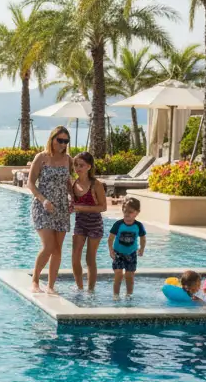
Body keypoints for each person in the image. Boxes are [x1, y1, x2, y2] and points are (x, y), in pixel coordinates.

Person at [29, 126, 74, 295]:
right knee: (48, 246)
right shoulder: (41, 158)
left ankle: (51, 286)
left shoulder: (68, 159)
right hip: (42, 206)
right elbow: (31, 183)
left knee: (57, 249)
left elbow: (68, 183)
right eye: (59, 140)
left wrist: (73, 198)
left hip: (61, 207)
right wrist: (43, 200)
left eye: (65, 141)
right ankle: (34, 280)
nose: (62, 144)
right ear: (52, 138)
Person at [70, 151, 107, 293]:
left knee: (90, 259)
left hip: (95, 225)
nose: (78, 168)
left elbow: (103, 207)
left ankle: (90, 291)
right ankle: (79, 288)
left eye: (81, 165)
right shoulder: (73, 184)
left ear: (89, 167)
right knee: (75, 257)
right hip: (80, 223)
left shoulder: (95, 184)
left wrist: (79, 207)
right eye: (76, 165)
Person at [108, 198, 147, 297]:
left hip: (131, 254)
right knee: (118, 274)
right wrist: (111, 250)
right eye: (125, 211)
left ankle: (128, 295)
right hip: (118, 253)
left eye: (130, 212)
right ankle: (116, 296)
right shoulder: (118, 224)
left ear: (137, 213)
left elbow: (143, 238)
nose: (127, 214)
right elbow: (110, 238)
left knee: (129, 276)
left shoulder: (138, 226)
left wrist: (142, 248)